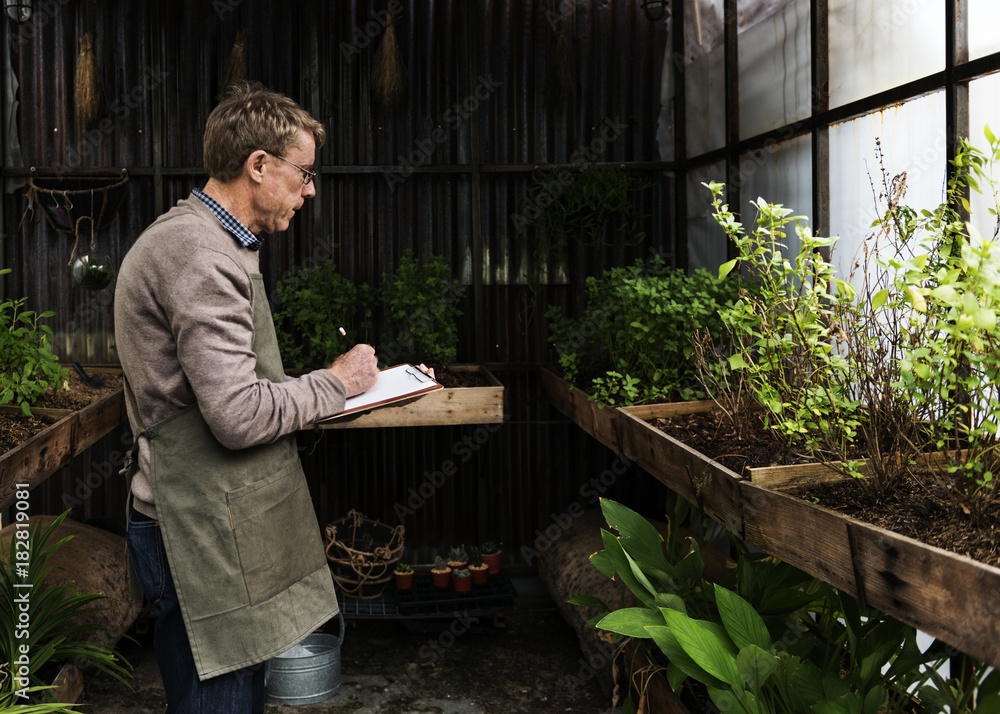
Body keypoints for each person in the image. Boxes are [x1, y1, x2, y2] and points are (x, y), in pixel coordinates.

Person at [114, 81, 379, 713]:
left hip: (214, 517)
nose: (310, 190)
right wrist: (337, 384)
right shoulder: (198, 255)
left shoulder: (217, 242)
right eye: (304, 173)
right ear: (257, 165)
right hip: (193, 529)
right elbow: (236, 416)